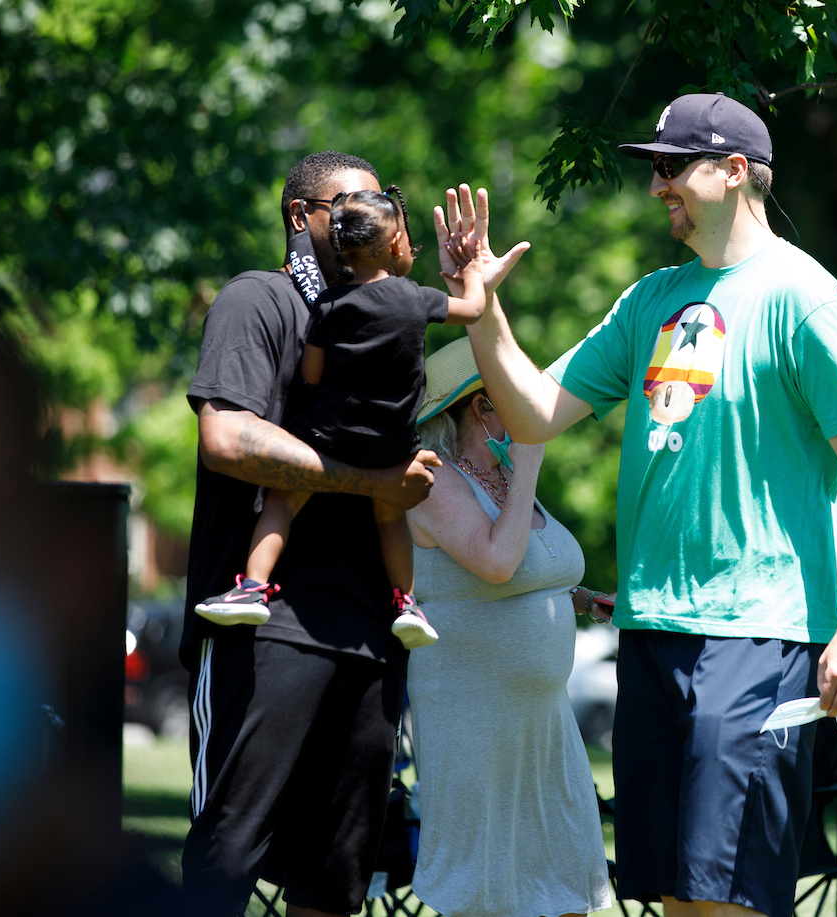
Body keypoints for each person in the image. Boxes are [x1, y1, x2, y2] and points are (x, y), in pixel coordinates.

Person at [439, 91, 837, 917]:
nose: (657, 187)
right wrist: (485, 314)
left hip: (761, 633)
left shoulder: (805, 297)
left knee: (733, 899)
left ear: (733, 171)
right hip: (653, 630)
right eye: (653, 171)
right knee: (675, 897)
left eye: (670, 168)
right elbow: (532, 412)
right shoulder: (652, 298)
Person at [179, 151, 440, 917]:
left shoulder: (384, 315)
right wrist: (368, 482)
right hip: (264, 627)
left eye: (383, 200)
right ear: (303, 217)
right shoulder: (257, 300)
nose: (375, 213)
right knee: (224, 861)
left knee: (335, 880)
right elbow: (225, 437)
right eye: (354, 201)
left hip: (367, 632)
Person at [193, 185, 490, 650]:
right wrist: (472, 273)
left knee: (280, 503)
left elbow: (311, 374)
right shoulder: (415, 298)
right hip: (394, 443)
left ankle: (252, 588)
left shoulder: (327, 306)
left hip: (330, 435)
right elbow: (474, 309)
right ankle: (407, 604)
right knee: (391, 519)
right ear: (396, 245)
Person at [403, 336, 613, 917]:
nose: (534, 404)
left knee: (562, 877)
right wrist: (530, 459)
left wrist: (584, 599)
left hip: (544, 721)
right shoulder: (434, 479)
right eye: (514, 393)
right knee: (486, 888)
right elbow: (495, 564)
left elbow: (524, 571)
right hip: (473, 716)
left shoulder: (504, 477)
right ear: (480, 405)